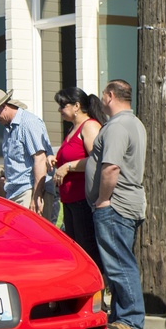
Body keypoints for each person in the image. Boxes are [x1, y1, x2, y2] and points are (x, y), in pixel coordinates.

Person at [85, 80, 146, 329]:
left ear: (110, 96)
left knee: (119, 261)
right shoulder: (134, 123)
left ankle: (130, 318)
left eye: (103, 95)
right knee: (118, 260)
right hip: (124, 202)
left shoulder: (118, 126)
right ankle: (122, 315)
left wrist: (103, 199)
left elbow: (111, 167)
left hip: (116, 204)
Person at [49, 87, 106, 268]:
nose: (59, 110)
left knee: (88, 250)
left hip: (83, 200)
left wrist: (68, 166)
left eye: (62, 105)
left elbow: (96, 160)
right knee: (77, 249)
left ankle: (98, 292)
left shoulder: (89, 126)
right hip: (70, 200)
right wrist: (55, 161)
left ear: (76, 106)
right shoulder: (72, 129)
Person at [0, 89, 57, 222]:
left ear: (3, 107)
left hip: (29, 190)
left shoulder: (28, 123)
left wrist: (36, 196)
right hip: (16, 191)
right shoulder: (8, 128)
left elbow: (40, 159)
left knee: (34, 235)